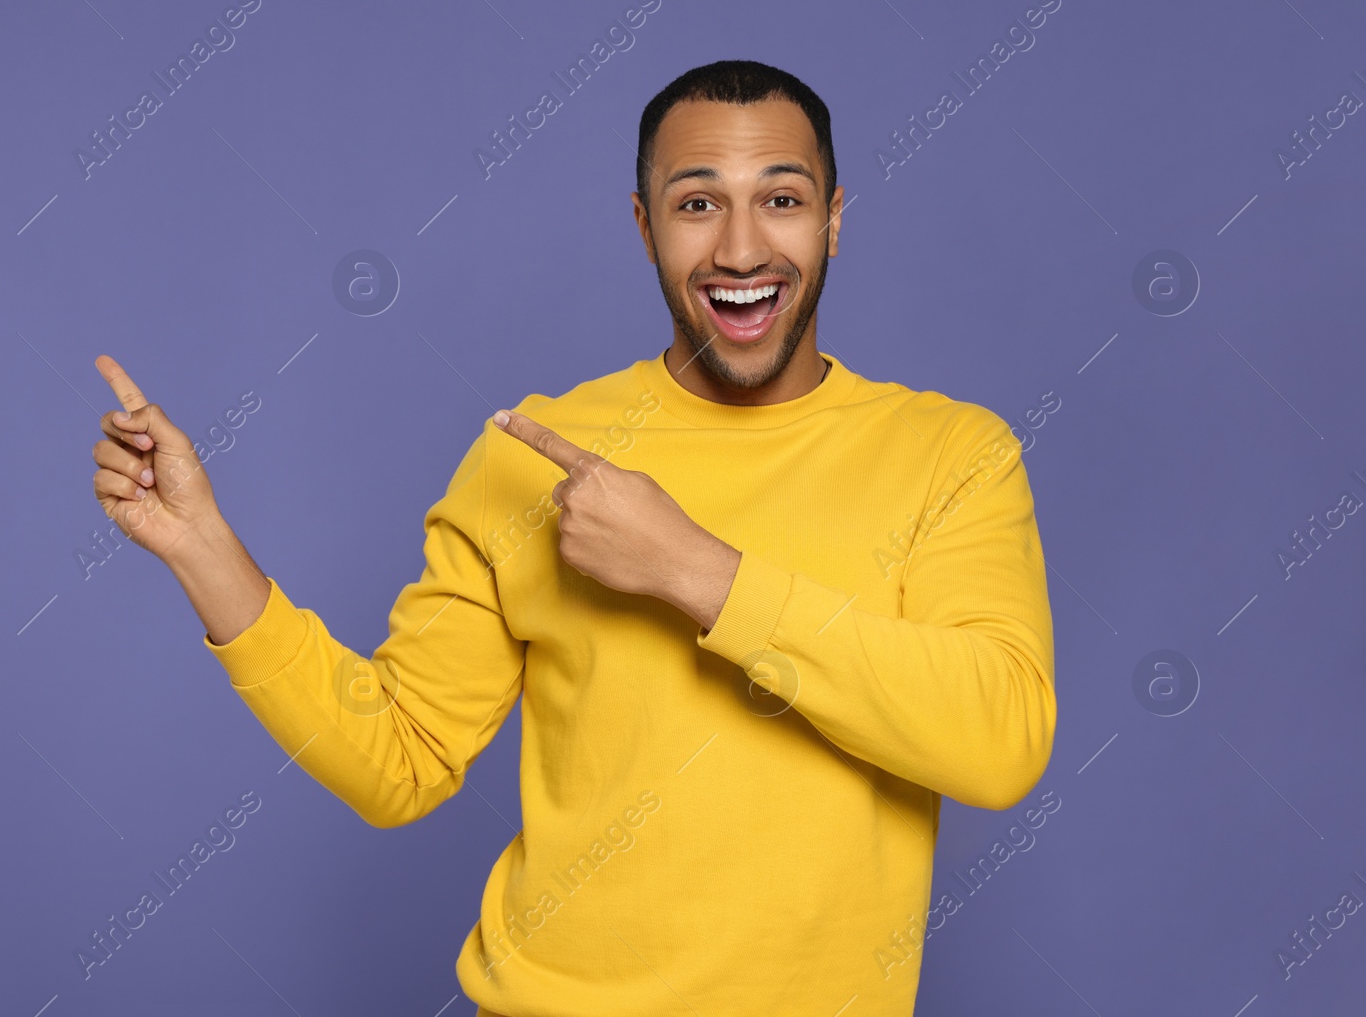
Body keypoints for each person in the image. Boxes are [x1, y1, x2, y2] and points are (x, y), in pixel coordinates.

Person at [88, 59, 1056, 1017]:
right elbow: (398, 760)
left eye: (783, 197)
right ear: (643, 226)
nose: (742, 246)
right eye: (695, 204)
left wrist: (690, 568)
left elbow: (996, 744)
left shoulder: (949, 453)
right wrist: (201, 545)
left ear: (834, 217)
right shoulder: (534, 458)